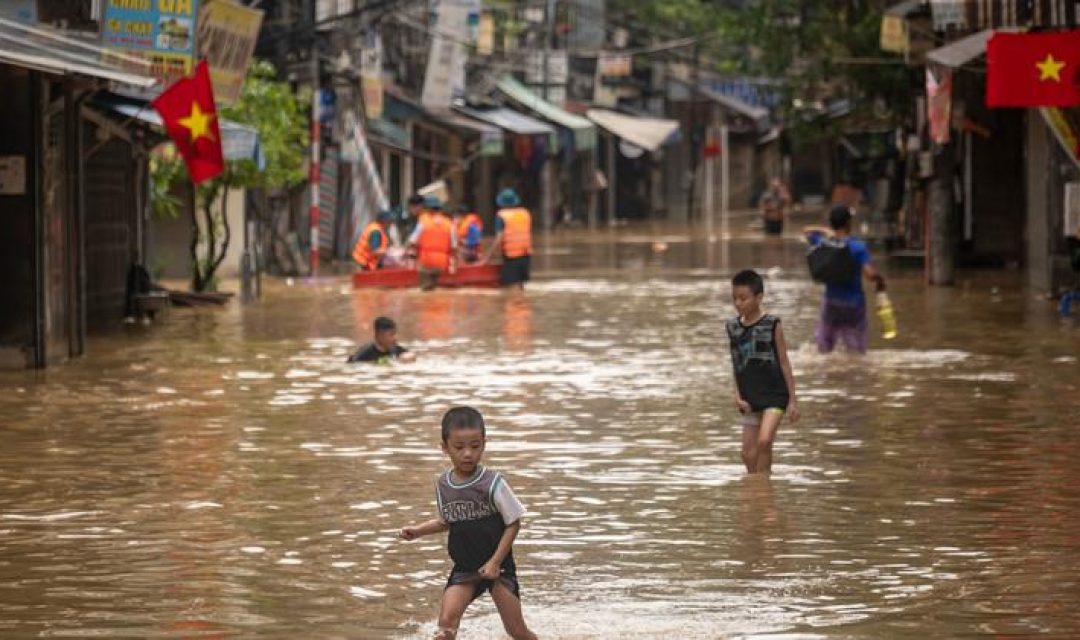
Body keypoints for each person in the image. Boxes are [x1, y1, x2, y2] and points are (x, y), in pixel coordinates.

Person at [400, 407, 536, 640]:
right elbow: (448, 521)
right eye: (459, 447)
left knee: (516, 631)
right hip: (464, 568)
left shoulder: (493, 482)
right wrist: (419, 531)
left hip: (498, 569)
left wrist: (495, 562)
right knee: (445, 626)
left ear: (484, 443)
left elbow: (513, 523)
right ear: (444, 447)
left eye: (475, 446)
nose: (467, 454)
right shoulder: (443, 485)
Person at [727, 269, 799, 474]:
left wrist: (793, 400)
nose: (738, 303)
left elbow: (784, 362)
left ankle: (764, 486)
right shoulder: (732, 328)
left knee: (765, 441)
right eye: (734, 298)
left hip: (775, 395)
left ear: (759, 298)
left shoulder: (772, 324)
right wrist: (737, 395)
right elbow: (736, 363)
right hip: (750, 396)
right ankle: (758, 491)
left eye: (743, 298)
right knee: (747, 455)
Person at [803, 205, 887, 354]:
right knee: (856, 349)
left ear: (831, 223)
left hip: (831, 301)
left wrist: (827, 232)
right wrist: (880, 279)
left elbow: (806, 231)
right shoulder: (857, 246)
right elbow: (869, 274)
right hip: (854, 303)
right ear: (849, 223)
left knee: (825, 346)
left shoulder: (824, 243)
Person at [483, 189, 532, 289]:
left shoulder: (501, 216)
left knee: (510, 290)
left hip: (511, 257)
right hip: (526, 255)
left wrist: (487, 257)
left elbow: (499, 239)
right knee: (520, 287)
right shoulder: (525, 214)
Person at [409, 199, 457, 291]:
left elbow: (413, 241)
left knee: (426, 291)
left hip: (426, 260)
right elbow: (454, 246)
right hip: (442, 262)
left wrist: (412, 257)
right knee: (437, 290)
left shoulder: (423, 222)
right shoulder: (449, 224)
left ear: (428, 210)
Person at [347, 316, 416, 363]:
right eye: (391, 334)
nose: (395, 338)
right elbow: (352, 364)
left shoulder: (393, 348)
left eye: (395, 334)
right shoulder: (365, 353)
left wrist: (403, 359)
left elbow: (411, 354)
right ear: (380, 335)